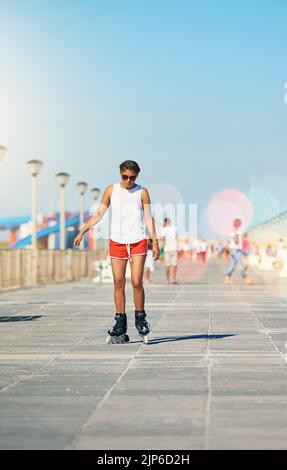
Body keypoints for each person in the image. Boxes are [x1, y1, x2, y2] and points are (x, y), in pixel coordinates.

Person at [73, 160, 160, 344]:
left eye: (132, 177)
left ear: (137, 176)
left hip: (138, 241)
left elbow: (148, 218)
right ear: (120, 174)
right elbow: (99, 214)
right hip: (117, 242)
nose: (128, 181)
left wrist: (156, 242)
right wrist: (82, 231)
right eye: (125, 177)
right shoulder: (111, 190)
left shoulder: (142, 192)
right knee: (118, 282)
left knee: (137, 282)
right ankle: (120, 323)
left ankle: (140, 320)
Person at [224, 218, 254, 285]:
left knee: (232, 265)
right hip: (236, 250)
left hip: (234, 249)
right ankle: (245, 278)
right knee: (240, 264)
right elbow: (235, 240)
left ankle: (227, 278)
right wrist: (237, 238)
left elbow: (232, 240)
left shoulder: (234, 230)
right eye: (240, 223)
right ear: (238, 224)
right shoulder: (235, 230)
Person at [161, 217, 178, 284]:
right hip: (174, 248)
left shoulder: (163, 229)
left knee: (167, 265)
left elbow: (162, 239)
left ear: (165, 222)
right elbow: (176, 237)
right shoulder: (175, 228)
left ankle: (167, 280)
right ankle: (173, 279)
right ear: (169, 222)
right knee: (174, 265)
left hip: (167, 249)